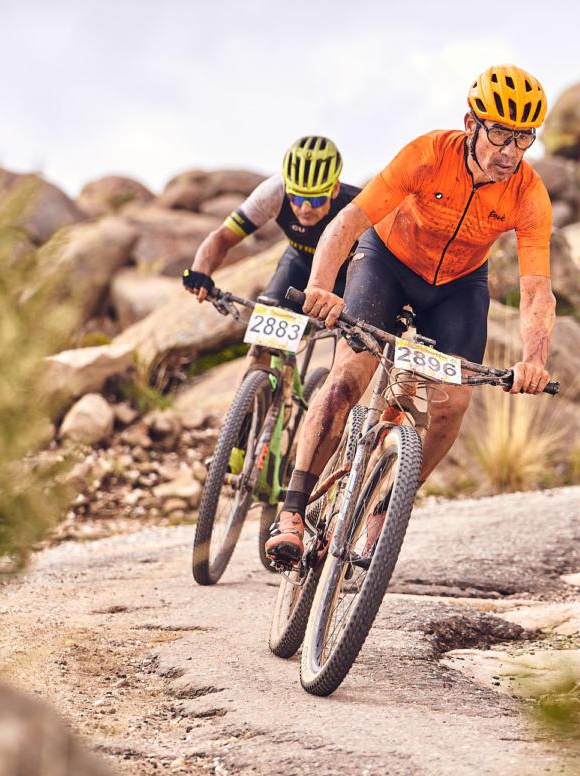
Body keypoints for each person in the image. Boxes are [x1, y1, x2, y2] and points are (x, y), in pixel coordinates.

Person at [265, 64, 558, 565]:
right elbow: (348, 222)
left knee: (452, 404)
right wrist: (320, 287)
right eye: (499, 133)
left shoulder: (529, 193)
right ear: (471, 124)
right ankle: (291, 511)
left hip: (458, 286)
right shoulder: (427, 155)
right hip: (387, 263)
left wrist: (534, 359)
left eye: (523, 138)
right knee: (346, 380)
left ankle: (387, 507)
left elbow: (536, 291)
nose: (510, 151)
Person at [181, 135, 359, 311]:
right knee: (270, 316)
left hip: (353, 275)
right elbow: (222, 238)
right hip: (300, 266)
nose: (305, 208)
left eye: (316, 200)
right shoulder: (274, 191)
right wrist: (200, 273)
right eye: (296, 198)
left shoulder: (357, 204)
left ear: (335, 189)